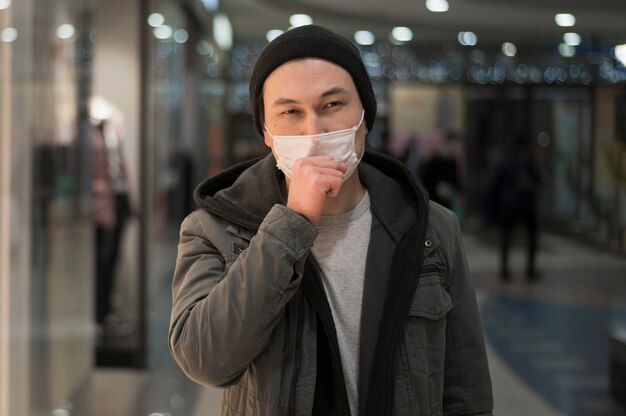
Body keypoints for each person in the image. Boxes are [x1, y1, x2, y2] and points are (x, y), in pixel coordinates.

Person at [169, 25, 493, 416]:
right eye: (290, 112)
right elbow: (205, 360)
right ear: (268, 133)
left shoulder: (432, 230)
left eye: (332, 105)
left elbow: (466, 392)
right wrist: (292, 223)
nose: (314, 131)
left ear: (365, 117)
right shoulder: (214, 229)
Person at [489, 135, 541, 282]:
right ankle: (530, 269)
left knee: (505, 236)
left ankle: (504, 269)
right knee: (531, 236)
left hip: (507, 205)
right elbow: (537, 179)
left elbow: (496, 184)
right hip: (525, 205)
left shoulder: (505, 162)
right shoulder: (527, 160)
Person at [421, 131, 462, 210]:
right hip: (433, 204)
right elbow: (425, 181)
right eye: (454, 146)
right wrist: (437, 188)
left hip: (446, 205)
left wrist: (454, 191)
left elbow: (455, 181)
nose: (456, 149)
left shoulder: (453, 162)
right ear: (447, 143)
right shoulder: (433, 161)